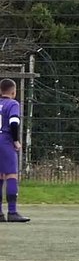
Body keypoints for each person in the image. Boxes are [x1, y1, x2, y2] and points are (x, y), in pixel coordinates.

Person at [0, 78, 30, 222]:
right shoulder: (13, 104)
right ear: (14, 92)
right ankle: (12, 212)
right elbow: (13, 122)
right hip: (5, 142)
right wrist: (16, 140)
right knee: (11, 175)